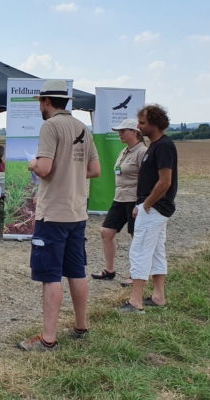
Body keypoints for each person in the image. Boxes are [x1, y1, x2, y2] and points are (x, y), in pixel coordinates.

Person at [19, 80, 100, 351]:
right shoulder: (82, 128)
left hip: (53, 213)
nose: (40, 107)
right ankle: (81, 326)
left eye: (40, 102)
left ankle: (48, 339)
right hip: (77, 212)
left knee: (50, 275)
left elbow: (44, 168)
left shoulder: (50, 126)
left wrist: (32, 163)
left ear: (46, 101)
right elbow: (95, 169)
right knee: (77, 271)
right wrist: (71, 172)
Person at [120, 104, 178, 314]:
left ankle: (135, 301)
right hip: (156, 208)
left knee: (140, 250)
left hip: (154, 208)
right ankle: (158, 296)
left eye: (142, 123)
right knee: (156, 251)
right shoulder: (156, 145)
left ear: (154, 123)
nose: (139, 126)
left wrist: (145, 205)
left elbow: (165, 182)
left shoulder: (162, 146)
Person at [91, 119, 146, 283]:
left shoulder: (142, 152)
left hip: (134, 199)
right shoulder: (124, 152)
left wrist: (141, 203)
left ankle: (137, 274)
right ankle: (109, 270)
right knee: (106, 232)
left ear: (135, 132)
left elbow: (147, 179)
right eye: (119, 131)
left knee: (135, 236)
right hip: (120, 198)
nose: (119, 134)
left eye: (123, 131)